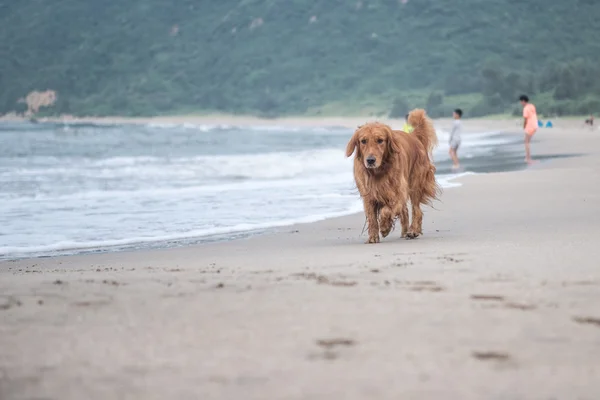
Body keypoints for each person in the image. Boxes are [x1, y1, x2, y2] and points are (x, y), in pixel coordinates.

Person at [519, 95, 538, 164]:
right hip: (535, 125)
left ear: (523, 101)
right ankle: (528, 158)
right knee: (527, 142)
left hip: (529, 125)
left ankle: (528, 158)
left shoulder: (525, 108)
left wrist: (524, 126)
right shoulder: (532, 106)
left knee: (526, 142)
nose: (521, 103)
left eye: (521, 102)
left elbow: (526, 119)